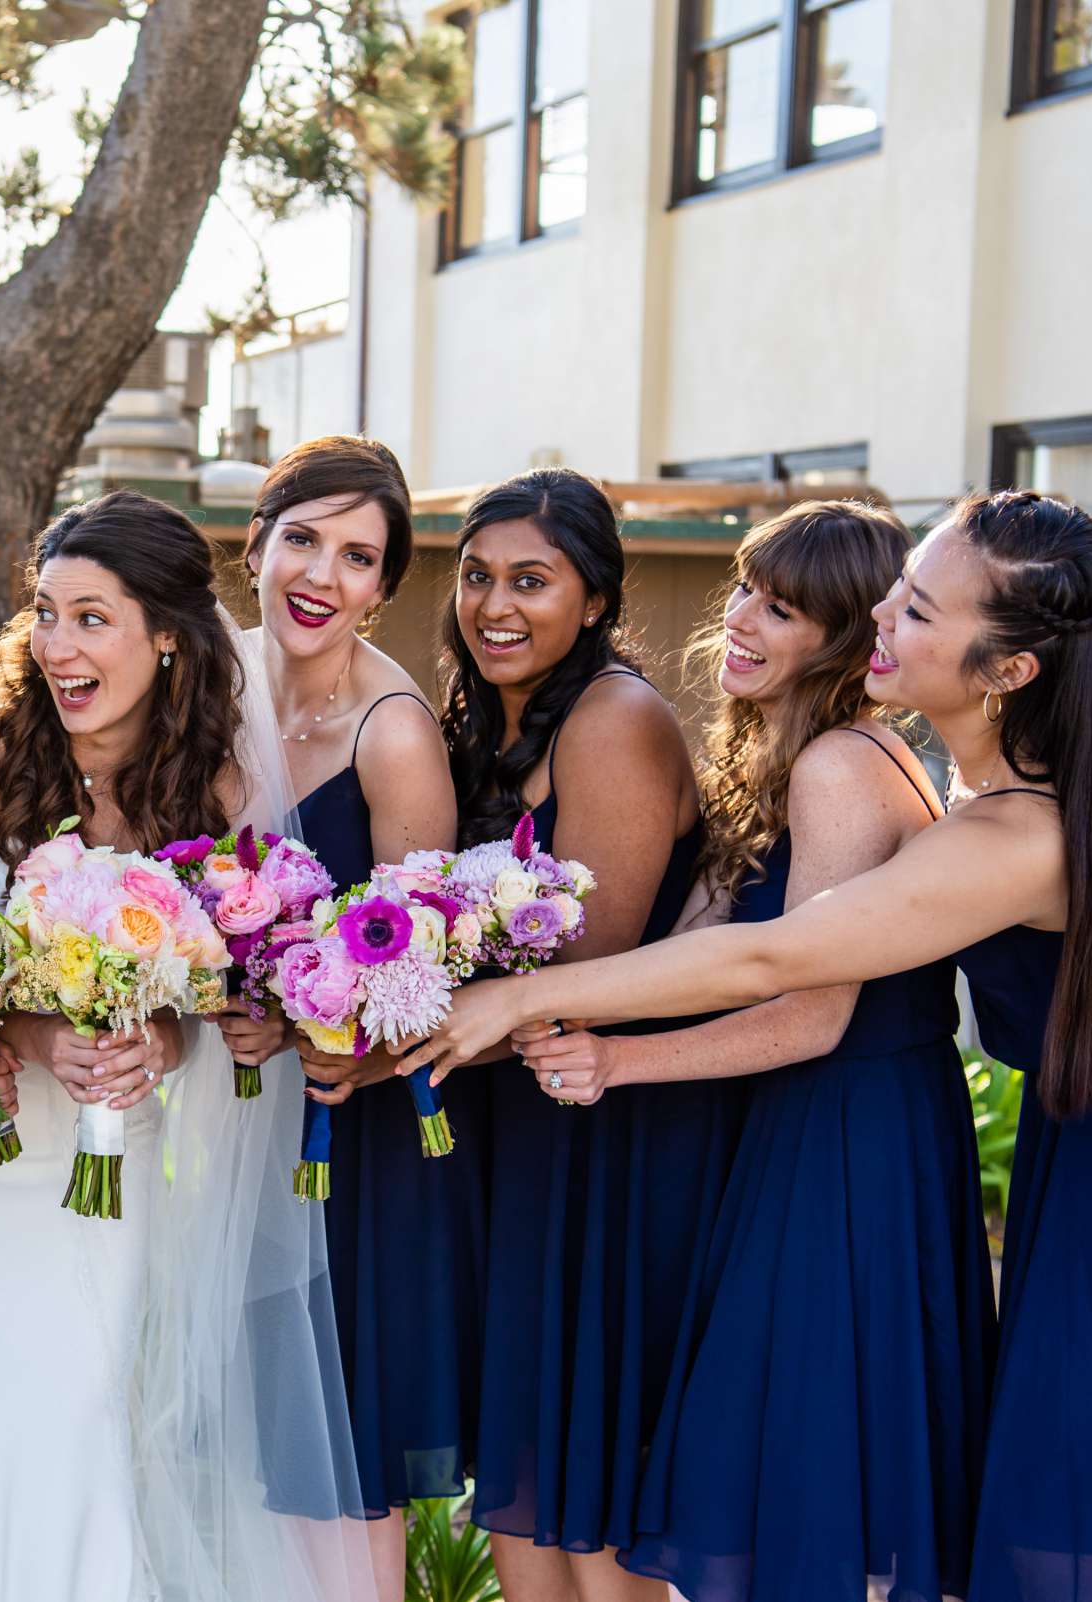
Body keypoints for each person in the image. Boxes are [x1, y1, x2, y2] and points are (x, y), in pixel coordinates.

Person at [406, 490, 1092, 1602]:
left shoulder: (1019, 831)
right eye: (895, 599)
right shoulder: (993, 784)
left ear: (1007, 671)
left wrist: (525, 1002)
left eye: (915, 615)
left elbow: (781, 963)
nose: (880, 629)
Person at [0, 489, 369, 1602]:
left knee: (83, 1428)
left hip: (103, 1167)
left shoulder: (213, 785)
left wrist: (168, 1045)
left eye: (92, 618)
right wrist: (33, 1030)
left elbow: (218, 984)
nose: (56, 644)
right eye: (45, 613)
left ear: (167, 638)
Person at [515, 502, 995, 1602]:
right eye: (745, 588)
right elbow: (703, 948)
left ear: (842, 637)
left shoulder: (838, 765)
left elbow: (810, 1013)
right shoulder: (782, 764)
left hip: (844, 1141)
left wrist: (615, 1062)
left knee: (810, 1478)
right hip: (814, 1130)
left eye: (782, 610)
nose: (740, 620)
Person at [435, 467, 728, 1602]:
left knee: (591, 1494)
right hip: (512, 1129)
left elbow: (583, 972)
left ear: (596, 600)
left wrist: (388, 1033)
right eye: (476, 575)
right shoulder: (473, 724)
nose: (494, 604)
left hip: (605, 1138)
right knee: (522, 1479)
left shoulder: (616, 722)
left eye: (532, 581)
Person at [242, 436, 470, 1602]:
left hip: (347, 1141)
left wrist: (310, 1034)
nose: (324, 573)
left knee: (338, 1461)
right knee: (242, 1452)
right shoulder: (209, 687)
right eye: (304, 539)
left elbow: (421, 973)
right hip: (218, 1123)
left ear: (384, 586)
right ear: (258, 545)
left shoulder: (394, 735)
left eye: (359, 555)